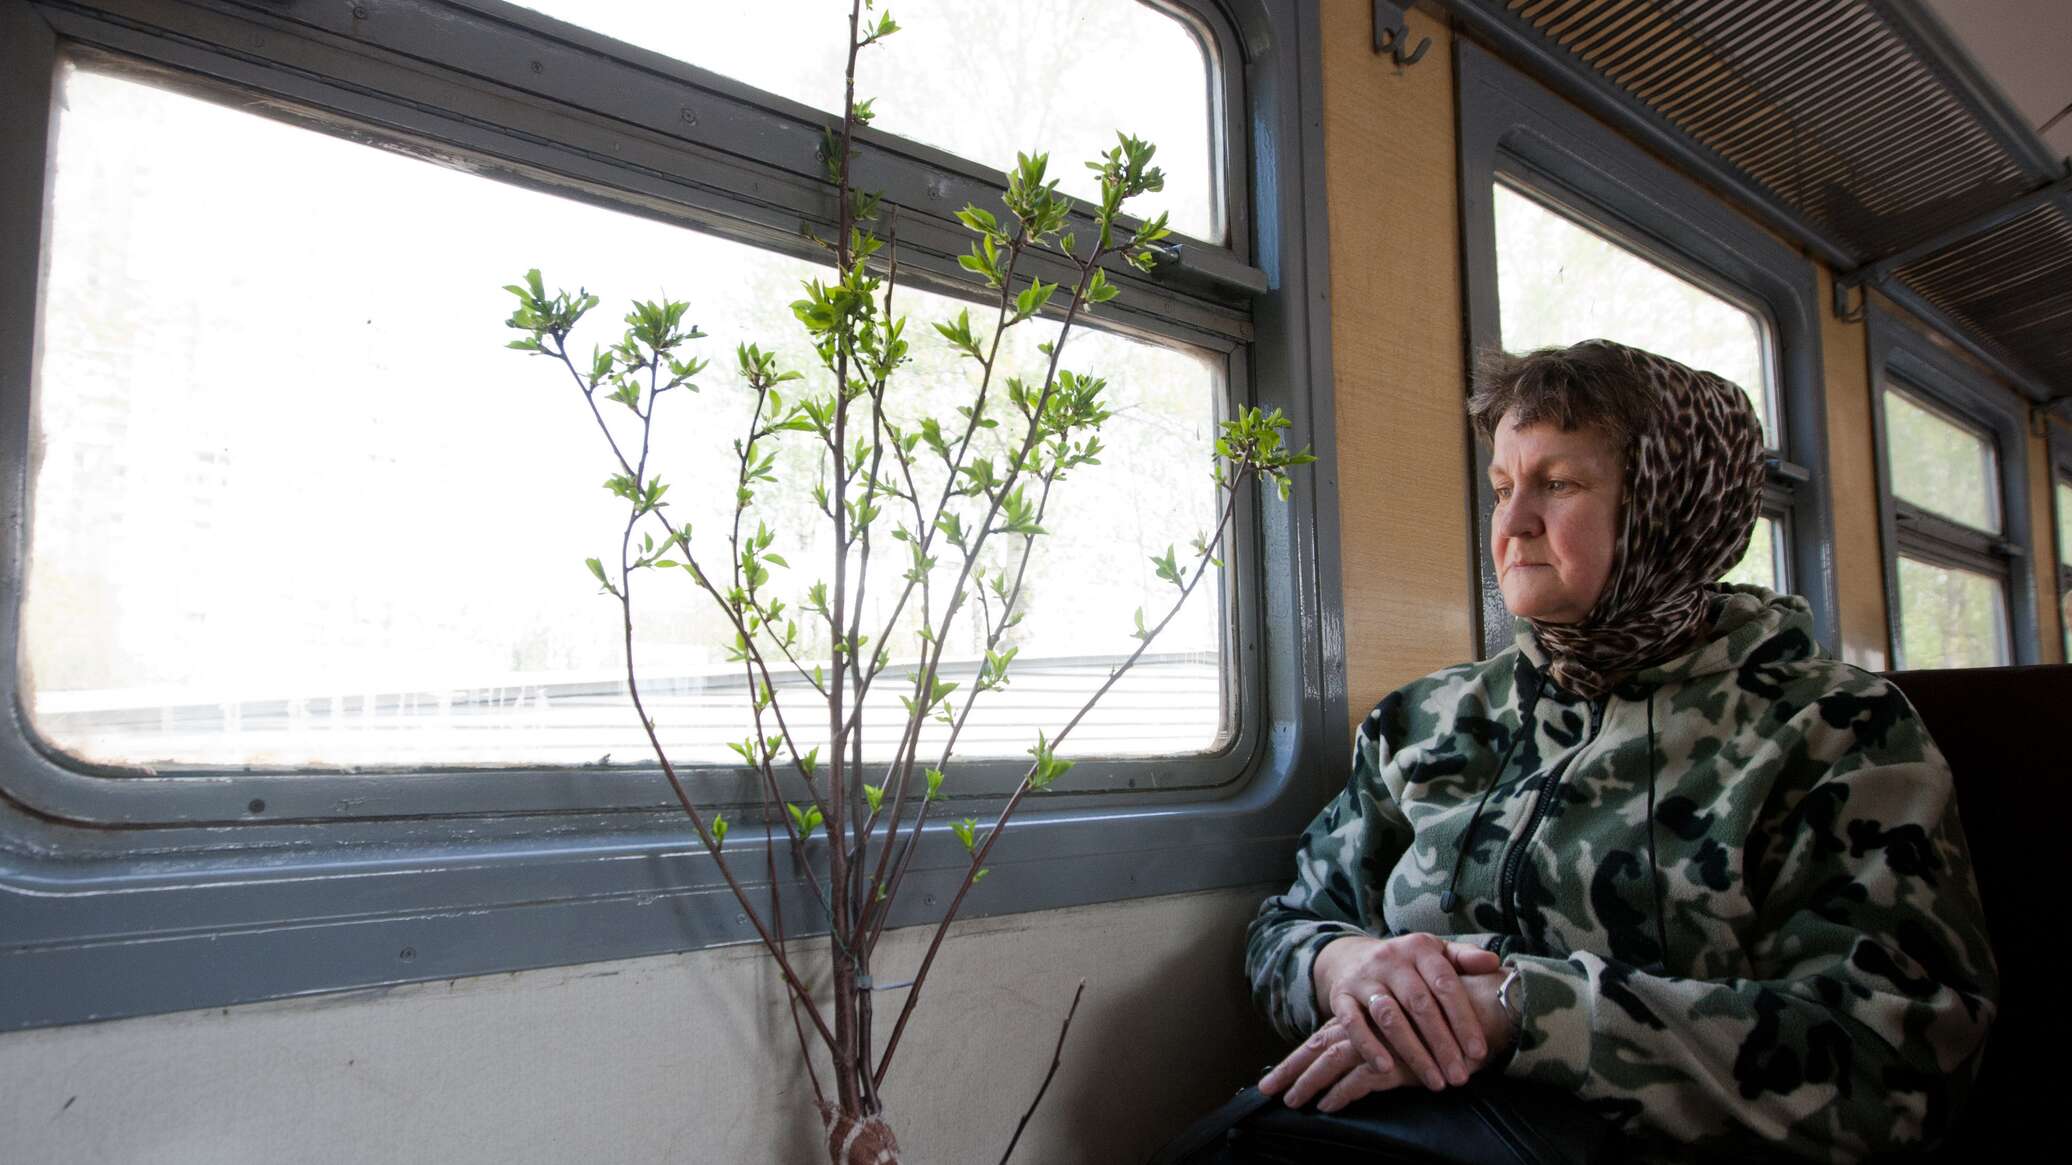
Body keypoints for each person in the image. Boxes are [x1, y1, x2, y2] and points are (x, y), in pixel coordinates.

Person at [1245, 340, 1998, 1162]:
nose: (1513, 520)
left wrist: (1528, 1014)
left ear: (1668, 506)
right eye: (1502, 488)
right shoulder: (1425, 721)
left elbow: (1898, 1055)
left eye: (1558, 483)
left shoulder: (1834, 730)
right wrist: (1342, 966)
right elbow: (1284, 924)